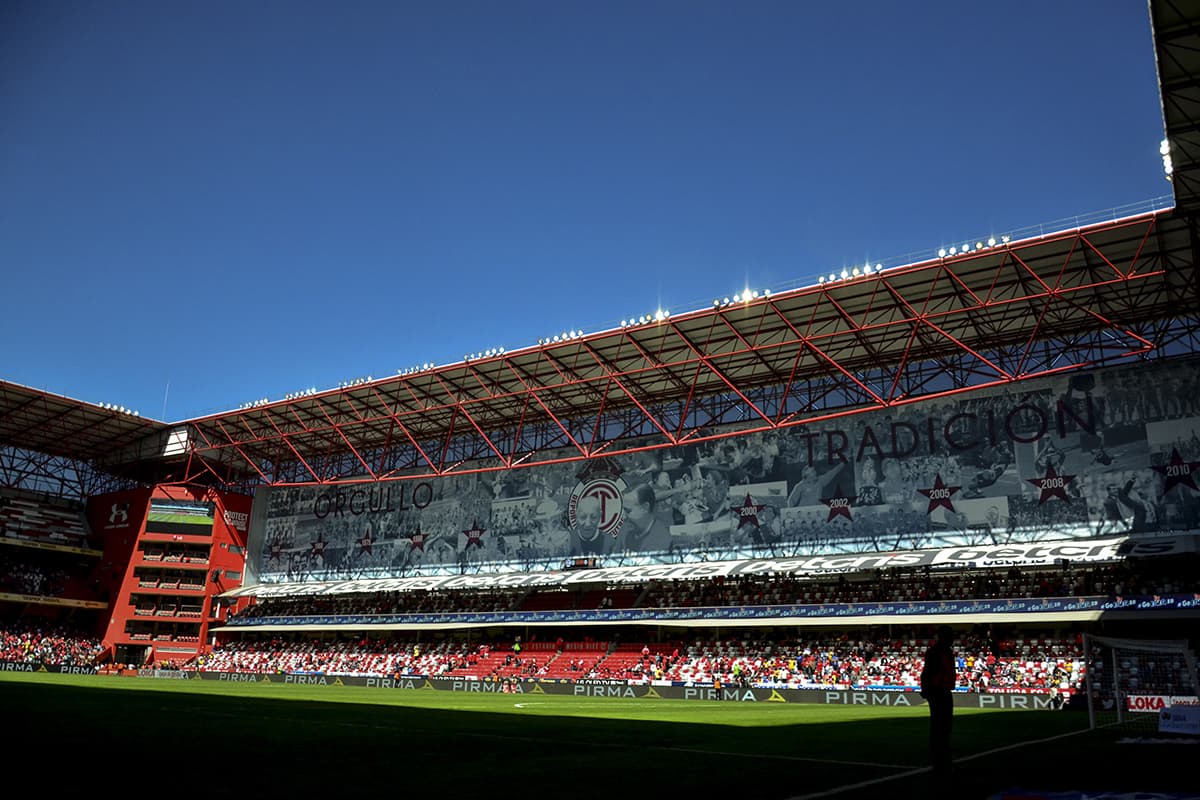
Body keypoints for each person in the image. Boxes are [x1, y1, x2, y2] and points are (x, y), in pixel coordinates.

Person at [920, 625, 957, 776]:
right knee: (940, 725)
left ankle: (941, 756)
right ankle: (939, 758)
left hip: (942, 689)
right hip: (938, 691)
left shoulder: (943, 651)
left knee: (943, 725)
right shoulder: (937, 652)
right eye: (951, 635)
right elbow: (927, 672)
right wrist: (927, 690)